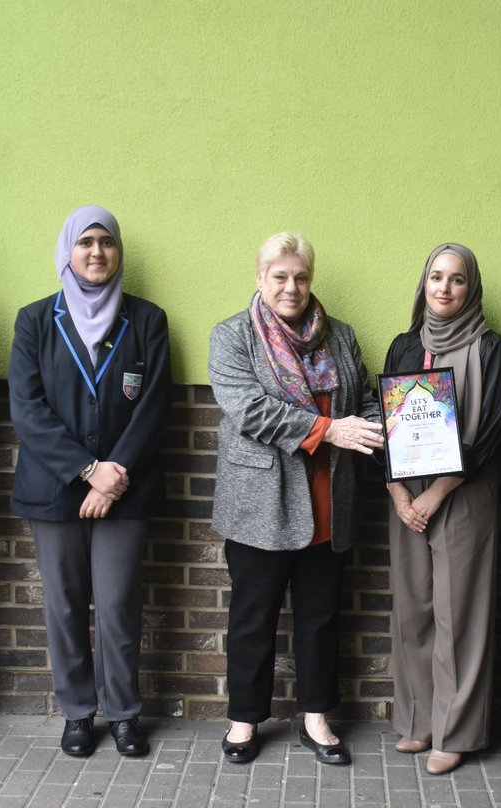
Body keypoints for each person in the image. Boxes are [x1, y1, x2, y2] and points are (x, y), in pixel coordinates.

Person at [209, 232, 383, 766]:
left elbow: (369, 401)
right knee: (252, 617)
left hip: (330, 501)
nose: (292, 287)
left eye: (301, 277)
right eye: (280, 276)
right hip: (259, 501)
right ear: (260, 278)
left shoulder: (342, 337)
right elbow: (251, 410)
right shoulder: (233, 336)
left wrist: (377, 428)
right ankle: (244, 718)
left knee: (320, 617)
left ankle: (315, 716)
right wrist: (331, 430)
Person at [9, 206, 171, 758]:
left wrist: (112, 474)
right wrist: (86, 470)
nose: (97, 252)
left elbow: (152, 408)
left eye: (106, 242)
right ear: (67, 252)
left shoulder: (147, 320)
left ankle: (124, 712)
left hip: (125, 490)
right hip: (55, 488)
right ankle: (78, 713)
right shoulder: (35, 320)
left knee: (120, 602)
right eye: (85, 243)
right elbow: (27, 410)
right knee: (64, 603)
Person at [384, 244, 501, 775]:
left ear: (471, 288)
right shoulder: (404, 345)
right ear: (423, 284)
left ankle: (455, 732)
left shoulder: (489, 349)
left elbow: (494, 433)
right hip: (405, 497)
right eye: (436, 277)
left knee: (459, 615)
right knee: (411, 609)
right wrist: (400, 495)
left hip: (462, 495)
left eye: (457, 280)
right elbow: (383, 419)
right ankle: (417, 722)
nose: (444, 288)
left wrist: (437, 492)